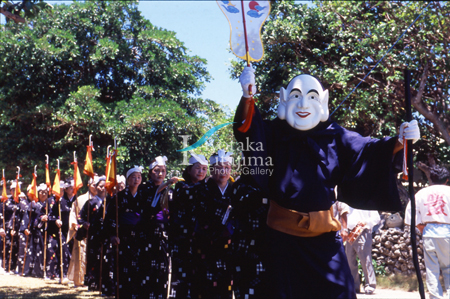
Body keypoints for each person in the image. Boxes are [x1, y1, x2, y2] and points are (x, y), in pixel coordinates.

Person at [234, 67, 421, 298]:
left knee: (340, 292)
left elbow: (368, 150)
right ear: (284, 99)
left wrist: (401, 140)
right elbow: (248, 131)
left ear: (323, 101)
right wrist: (247, 97)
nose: (303, 104)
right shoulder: (272, 133)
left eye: (312, 97)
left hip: (324, 239)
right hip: (281, 240)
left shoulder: (335, 135)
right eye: (295, 96)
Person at [191, 150, 234, 299]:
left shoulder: (236, 191)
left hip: (230, 246)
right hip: (206, 244)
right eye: (219, 167)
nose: (223, 171)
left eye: (226, 167)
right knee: (205, 284)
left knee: (227, 284)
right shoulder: (200, 190)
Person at [405, 166, 450, 299]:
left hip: (429, 232)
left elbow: (410, 214)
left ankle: (435, 297)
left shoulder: (421, 193)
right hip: (447, 231)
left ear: (431, 178)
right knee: (448, 268)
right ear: (447, 180)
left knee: (432, 269)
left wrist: (421, 227)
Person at [139, 156, 179, 298]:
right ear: (150, 173)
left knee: (163, 267)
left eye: (163, 171)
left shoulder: (170, 191)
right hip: (148, 232)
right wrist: (166, 184)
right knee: (148, 266)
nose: (160, 174)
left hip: (165, 231)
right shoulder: (144, 189)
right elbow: (149, 204)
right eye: (157, 171)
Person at [169, 152, 209, 298]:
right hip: (182, 239)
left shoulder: (208, 188)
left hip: (202, 240)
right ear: (189, 169)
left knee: (200, 277)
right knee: (181, 277)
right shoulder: (181, 186)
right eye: (198, 168)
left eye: (204, 169)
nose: (201, 172)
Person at [104, 166, 147, 298]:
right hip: (123, 235)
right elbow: (109, 218)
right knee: (123, 270)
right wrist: (112, 235)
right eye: (133, 177)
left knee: (139, 270)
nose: (136, 180)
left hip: (140, 236)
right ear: (128, 179)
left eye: (139, 177)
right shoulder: (118, 197)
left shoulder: (144, 196)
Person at [336, 201, 381, 295]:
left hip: (362, 231)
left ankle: (370, 285)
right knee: (350, 260)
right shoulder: (345, 200)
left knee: (365, 260)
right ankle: (354, 285)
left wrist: (366, 222)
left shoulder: (368, 201)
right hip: (348, 232)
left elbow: (376, 218)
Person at [67, 177, 98, 287]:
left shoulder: (102, 199)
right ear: (89, 185)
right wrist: (75, 224)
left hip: (96, 233)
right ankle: (79, 280)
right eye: (93, 184)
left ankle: (93, 281)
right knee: (81, 256)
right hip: (83, 231)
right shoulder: (80, 199)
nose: (95, 186)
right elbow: (74, 213)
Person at [78, 175, 106, 291]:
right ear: (96, 187)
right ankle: (92, 283)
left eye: (105, 186)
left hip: (105, 235)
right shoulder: (90, 202)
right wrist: (84, 224)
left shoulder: (110, 202)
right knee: (92, 258)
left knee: (104, 259)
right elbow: (81, 216)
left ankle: (103, 284)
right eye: (100, 186)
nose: (103, 188)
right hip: (93, 235)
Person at [46, 180, 71, 283]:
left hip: (64, 232)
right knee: (52, 251)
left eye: (61, 190)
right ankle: (50, 273)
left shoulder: (66, 201)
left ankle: (63, 274)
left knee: (64, 253)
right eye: (58, 190)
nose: (60, 192)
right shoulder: (50, 201)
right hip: (52, 231)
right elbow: (48, 216)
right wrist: (55, 220)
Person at [22, 183, 48, 278]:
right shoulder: (33, 205)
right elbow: (27, 217)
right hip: (35, 232)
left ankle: (43, 272)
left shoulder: (50, 204)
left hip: (47, 232)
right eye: (42, 192)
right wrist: (25, 228)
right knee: (33, 251)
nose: (44, 194)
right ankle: (31, 271)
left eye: (45, 192)